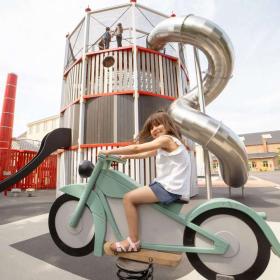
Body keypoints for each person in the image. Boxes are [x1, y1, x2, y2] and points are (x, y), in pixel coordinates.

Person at [99, 111, 191, 253]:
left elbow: (137, 148)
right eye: (151, 128)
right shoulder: (169, 143)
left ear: (168, 125)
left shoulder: (166, 139)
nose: (154, 129)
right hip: (171, 187)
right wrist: (125, 156)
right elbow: (144, 154)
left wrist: (109, 152)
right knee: (137, 193)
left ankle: (132, 241)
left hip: (169, 188)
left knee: (128, 198)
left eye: (158, 124)